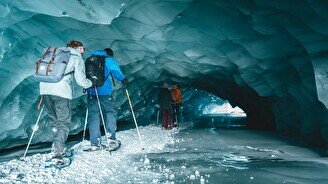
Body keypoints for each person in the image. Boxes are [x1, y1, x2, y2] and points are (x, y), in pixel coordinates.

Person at [39, 40, 93, 158]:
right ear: (78, 48)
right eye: (82, 49)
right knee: (63, 122)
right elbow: (81, 81)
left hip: (44, 90)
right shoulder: (76, 58)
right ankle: (58, 149)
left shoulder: (55, 55)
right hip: (61, 92)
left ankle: (56, 143)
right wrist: (90, 83)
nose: (83, 51)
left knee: (55, 121)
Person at [87, 48, 128, 150]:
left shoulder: (90, 59)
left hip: (91, 92)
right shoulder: (108, 60)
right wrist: (123, 79)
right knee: (110, 112)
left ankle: (94, 142)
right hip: (104, 92)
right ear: (110, 54)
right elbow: (116, 72)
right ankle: (110, 137)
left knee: (94, 116)